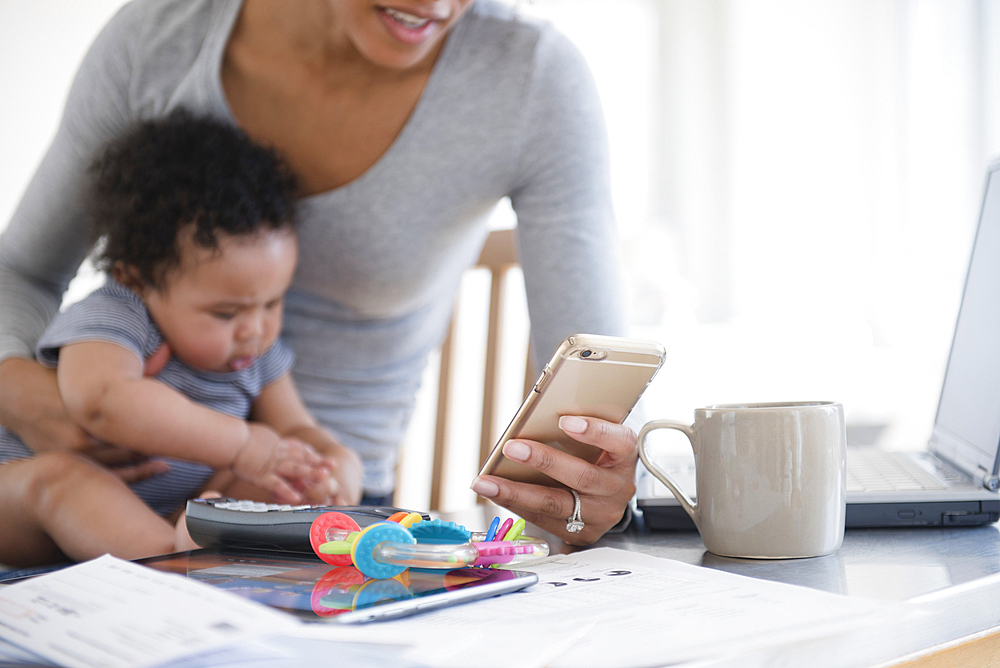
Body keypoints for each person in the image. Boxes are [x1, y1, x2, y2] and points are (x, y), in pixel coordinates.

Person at [0, 0, 635, 546]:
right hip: (68, 469)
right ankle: (171, 582)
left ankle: (177, 578)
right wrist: (19, 389)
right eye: (229, 311)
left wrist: (327, 461)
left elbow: (594, 378)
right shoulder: (163, 38)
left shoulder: (530, 78)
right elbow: (20, 273)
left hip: (289, 496)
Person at [0, 112, 363, 566]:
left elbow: (293, 429)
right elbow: (102, 399)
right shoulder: (119, 316)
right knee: (62, 477)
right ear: (136, 280)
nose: (255, 329)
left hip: (164, 514)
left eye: (272, 303)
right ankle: (174, 568)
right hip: (27, 509)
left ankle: (181, 551)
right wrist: (242, 445)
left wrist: (331, 462)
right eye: (225, 312)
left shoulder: (254, 351)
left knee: (281, 481)